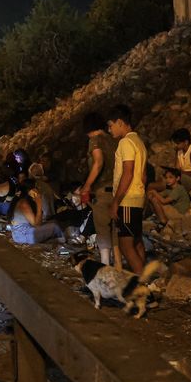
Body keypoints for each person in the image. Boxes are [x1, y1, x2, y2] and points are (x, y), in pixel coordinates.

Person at [107, 104, 148, 274]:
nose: (109, 130)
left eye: (110, 125)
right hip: (137, 198)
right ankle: (143, 279)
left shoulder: (125, 142)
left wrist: (116, 201)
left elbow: (128, 172)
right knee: (137, 242)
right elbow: (144, 176)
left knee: (125, 245)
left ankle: (141, 285)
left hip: (127, 200)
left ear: (120, 122)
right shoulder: (139, 142)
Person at [78, 112, 118, 266]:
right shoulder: (114, 139)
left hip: (103, 190)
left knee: (102, 228)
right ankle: (118, 263)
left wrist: (87, 186)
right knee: (115, 228)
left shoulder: (95, 140)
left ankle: (105, 264)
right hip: (118, 190)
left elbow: (98, 162)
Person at [9, 180, 65, 245]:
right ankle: (64, 244)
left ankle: (56, 240)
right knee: (55, 227)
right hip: (23, 235)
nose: (37, 189)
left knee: (54, 221)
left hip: (23, 233)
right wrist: (39, 203)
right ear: (30, 191)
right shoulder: (23, 203)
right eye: (35, 187)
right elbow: (37, 225)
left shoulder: (23, 200)